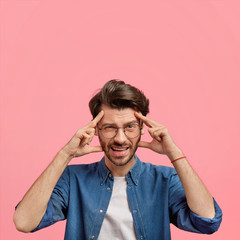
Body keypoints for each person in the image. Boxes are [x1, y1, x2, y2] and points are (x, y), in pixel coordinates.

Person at [13, 80, 222, 240]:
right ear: (96, 131)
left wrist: (174, 153)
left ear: (142, 129)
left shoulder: (165, 180)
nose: (120, 139)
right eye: (110, 127)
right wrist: (64, 154)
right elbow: (24, 222)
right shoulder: (73, 179)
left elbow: (207, 221)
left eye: (130, 127)